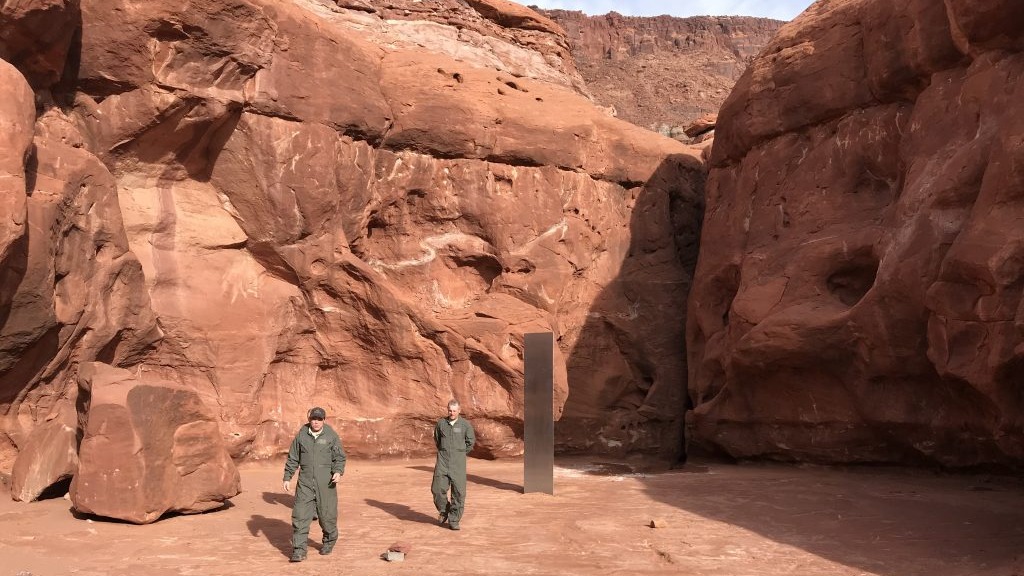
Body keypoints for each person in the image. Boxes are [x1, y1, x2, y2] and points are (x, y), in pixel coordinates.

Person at [283, 406, 347, 562]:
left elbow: (339, 457)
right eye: (313, 419)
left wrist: (338, 471)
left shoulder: (331, 436)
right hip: (304, 482)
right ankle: (299, 550)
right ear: (309, 419)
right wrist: (287, 477)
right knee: (300, 516)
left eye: (319, 419)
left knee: (327, 516)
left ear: (324, 420)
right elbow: (293, 458)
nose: (316, 422)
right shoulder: (301, 436)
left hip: (326, 483)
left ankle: (329, 540)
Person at [431, 399, 475, 530]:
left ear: (459, 411)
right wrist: (445, 451)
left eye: (454, 411)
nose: (452, 413)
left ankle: (454, 520)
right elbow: (437, 439)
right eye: (450, 410)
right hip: (443, 461)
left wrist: (459, 453)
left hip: (458, 463)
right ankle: (444, 510)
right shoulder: (441, 424)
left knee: (459, 493)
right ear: (447, 410)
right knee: (437, 489)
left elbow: (470, 442)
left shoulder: (465, 425)